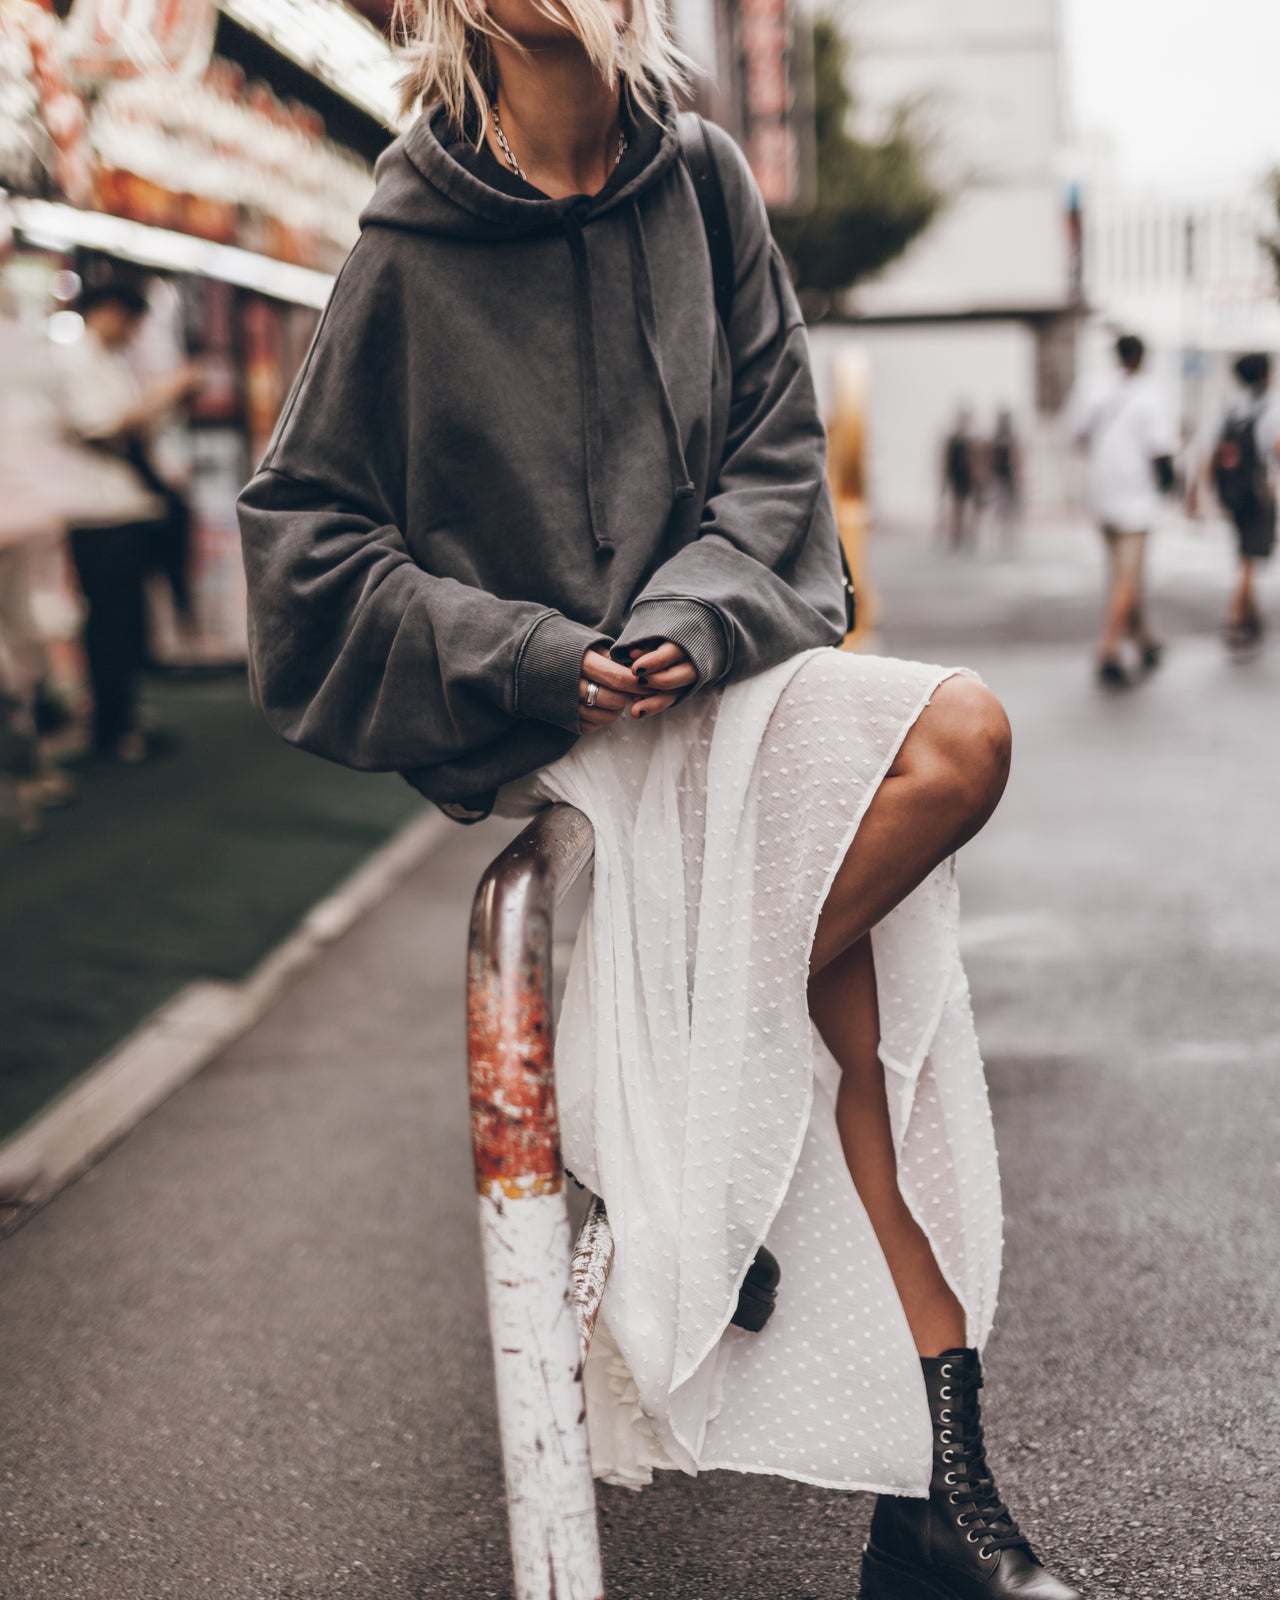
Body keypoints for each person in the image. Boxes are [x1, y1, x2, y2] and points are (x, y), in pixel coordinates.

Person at [237, 5, 1082, 1595]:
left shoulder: (704, 181)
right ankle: (943, 1506)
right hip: (567, 722)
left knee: (957, 741)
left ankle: (705, 1086)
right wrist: (537, 653)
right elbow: (307, 550)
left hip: (727, 666)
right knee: (858, 1012)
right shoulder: (403, 245)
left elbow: (775, 461)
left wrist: (687, 621)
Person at [52, 280, 201, 762]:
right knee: (111, 624)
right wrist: (163, 396)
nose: (134, 333)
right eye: (132, 321)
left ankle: (121, 721)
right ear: (110, 311)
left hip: (122, 509)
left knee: (126, 621)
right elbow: (102, 428)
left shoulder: (104, 361)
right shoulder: (76, 360)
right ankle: (111, 729)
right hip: (99, 514)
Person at [1068, 333, 1176, 689]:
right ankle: (1108, 652)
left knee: (1122, 576)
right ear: (1142, 357)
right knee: (1127, 579)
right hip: (1136, 500)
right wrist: (1169, 490)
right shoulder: (1150, 394)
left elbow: (1076, 434)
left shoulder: (1092, 388)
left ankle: (1144, 640)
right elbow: (1162, 451)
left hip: (1102, 495)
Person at [1207, 352, 1278, 649]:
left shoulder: (1232, 408)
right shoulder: (1271, 408)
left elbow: (1212, 452)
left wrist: (1209, 490)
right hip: (1259, 492)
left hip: (1234, 493)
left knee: (1244, 553)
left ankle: (1251, 619)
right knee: (1250, 556)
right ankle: (1235, 618)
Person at [940, 405, 981, 550]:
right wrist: (943, 480)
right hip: (956, 477)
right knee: (957, 507)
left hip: (967, 478)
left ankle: (966, 534)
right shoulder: (953, 440)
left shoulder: (970, 440)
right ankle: (955, 536)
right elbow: (946, 461)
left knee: (968, 508)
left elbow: (974, 461)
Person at [988, 408, 1022, 551]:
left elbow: (1017, 456)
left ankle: (1009, 536)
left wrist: (1019, 474)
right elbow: (991, 457)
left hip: (1009, 477)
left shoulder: (1011, 437)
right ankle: (1002, 535)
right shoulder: (997, 437)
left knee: (1011, 507)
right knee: (1001, 506)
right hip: (1000, 476)